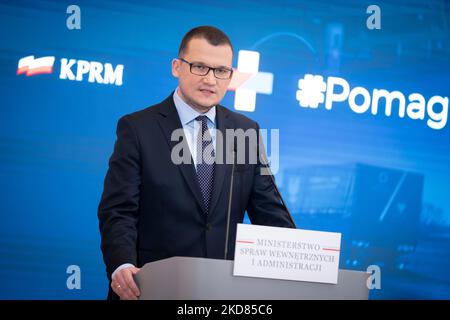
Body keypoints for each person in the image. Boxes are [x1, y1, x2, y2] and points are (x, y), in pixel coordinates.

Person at [98, 25, 296, 300]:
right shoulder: (137, 127)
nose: (211, 80)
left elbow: (270, 212)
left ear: (231, 76)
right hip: (149, 288)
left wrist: (300, 262)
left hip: (222, 293)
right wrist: (122, 264)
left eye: (221, 71)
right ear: (177, 67)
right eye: (200, 67)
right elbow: (119, 210)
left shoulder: (245, 131)